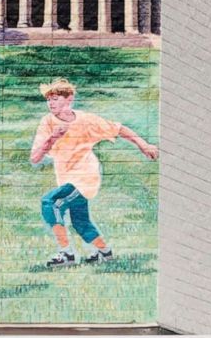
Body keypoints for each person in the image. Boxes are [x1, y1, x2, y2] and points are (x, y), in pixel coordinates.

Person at [29, 78, 159, 268]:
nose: (51, 103)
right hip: (66, 178)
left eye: (55, 98)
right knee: (80, 222)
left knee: (50, 203)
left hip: (86, 177)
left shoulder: (86, 120)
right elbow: (34, 157)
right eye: (48, 100)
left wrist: (144, 145)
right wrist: (53, 137)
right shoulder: (47, 123)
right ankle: (105, 252)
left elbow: (119, 129)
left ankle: (66, 254)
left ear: (69, 99)